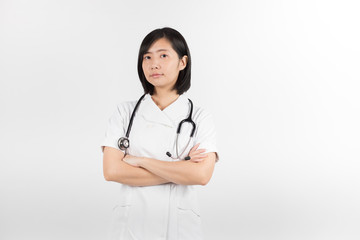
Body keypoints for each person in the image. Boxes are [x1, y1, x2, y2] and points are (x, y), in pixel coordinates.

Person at [100, 27, 219, 240]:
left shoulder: (200, 117)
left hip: (179, 226)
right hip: (132, 224)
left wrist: (140, 160)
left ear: (183, 62)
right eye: (147, 57)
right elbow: (112, 171)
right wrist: (180, 170)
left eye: (163, 55)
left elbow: (201, 176)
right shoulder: (124, 112)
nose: (154, 63)